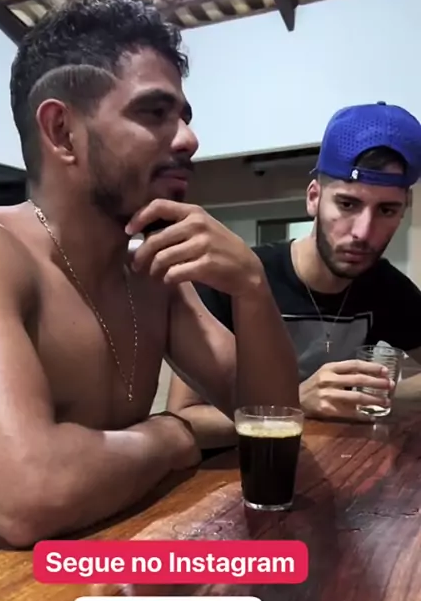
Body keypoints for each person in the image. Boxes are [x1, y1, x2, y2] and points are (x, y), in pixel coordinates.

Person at [0, 0, 298, 573]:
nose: (188, 139)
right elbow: (29, 494)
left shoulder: (150, 271)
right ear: (62, 132)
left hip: (88, 585)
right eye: (154, 112)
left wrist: (252, 288)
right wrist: (171, 435)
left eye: (183, 115)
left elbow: (271, 417)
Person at [168, 102, 421, 452]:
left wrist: (385, 394)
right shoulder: (239, 278)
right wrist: (295, 403)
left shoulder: (387, 288)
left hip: (330, 469)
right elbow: (186, 418)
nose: (363, 233)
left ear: (404, 209)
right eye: (347, 204)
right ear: (314, 198)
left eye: (387, 210)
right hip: (236, 473)